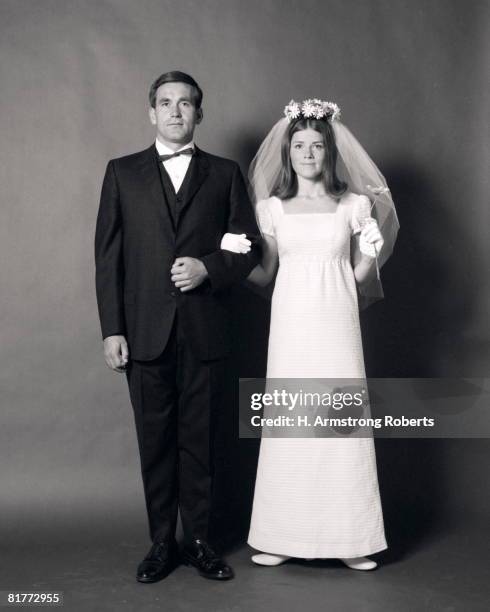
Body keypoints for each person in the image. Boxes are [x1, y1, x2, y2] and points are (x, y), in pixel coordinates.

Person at [94, 71, 261, 583]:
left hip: (205, 328)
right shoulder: (122, 173)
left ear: (199, 114)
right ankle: (162, 543)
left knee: (202, 440)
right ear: (151, 113)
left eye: (185, 104)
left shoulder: (226, 173)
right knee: (156, 441)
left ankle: (201, 542)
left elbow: (247, 243)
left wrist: (210, 267)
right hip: (143, 331)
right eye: (165, 103)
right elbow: (108, 258)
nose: (174, 111)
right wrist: (112, 329)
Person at [235, 98, 399, 570]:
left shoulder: (355, 204)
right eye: (300, 146)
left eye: (316, 145)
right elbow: (264, 276)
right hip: (291, 329)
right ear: (288, 152)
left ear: (329, 151)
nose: (308, 153)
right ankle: (282, 536)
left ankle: (351, 540)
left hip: (336, 325)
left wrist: (369, 253)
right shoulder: (272, 209)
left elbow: (362, 278)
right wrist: (233, 261)